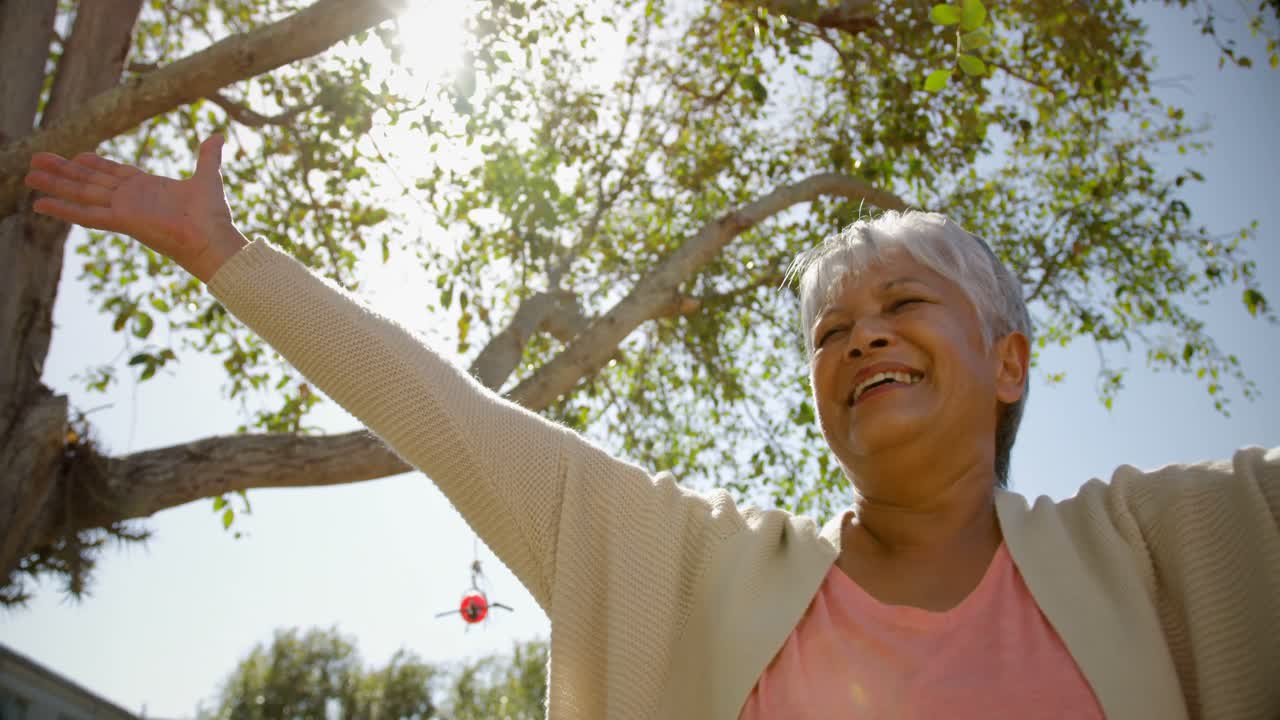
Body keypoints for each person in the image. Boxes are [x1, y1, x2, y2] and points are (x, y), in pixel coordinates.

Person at [24, 136, 1279, 719]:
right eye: (830, 334)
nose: (861, 340)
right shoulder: (690, 568)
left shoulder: (1176, 540)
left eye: (902, 305)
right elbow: (452, 420)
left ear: (1007, 361)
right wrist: (226, 253)